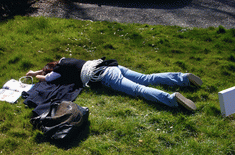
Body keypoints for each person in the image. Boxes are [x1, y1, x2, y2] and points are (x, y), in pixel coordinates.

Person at [26, 57, 203, 111]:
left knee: (139, 90)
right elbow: (53, 70)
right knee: (146, 78)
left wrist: (35, 74)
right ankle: (183, 78)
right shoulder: (66, 59)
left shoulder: (58, 72)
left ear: (50, 69)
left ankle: (172, 99)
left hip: (105, 76)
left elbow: (47, 79)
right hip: (109, 66)